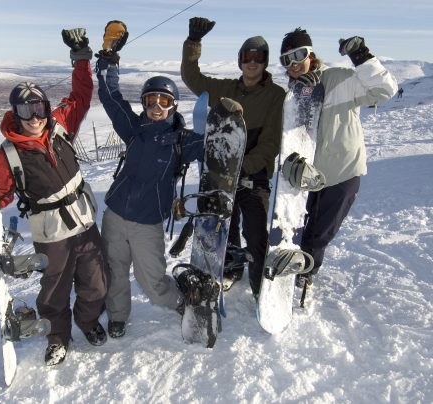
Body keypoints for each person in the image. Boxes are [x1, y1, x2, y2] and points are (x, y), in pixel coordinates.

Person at [0, 28, 109, 366]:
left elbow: (82, 95)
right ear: (15, 113)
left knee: (97, 286)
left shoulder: (59, 126)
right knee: (55, 290)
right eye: (26, 110)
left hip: (84, 221)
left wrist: (80, 59)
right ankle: (58, 337)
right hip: (51, 233)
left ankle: (87, 321)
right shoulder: (9, 154)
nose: (35, 117)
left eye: (40, 108)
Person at [95, 21, 206, 338]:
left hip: (147, 223)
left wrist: (226, 120)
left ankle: (180, 301)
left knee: (153, 283)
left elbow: (216, 145)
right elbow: (109, 94)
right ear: (143, 103)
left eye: (164, 101)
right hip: (115, 215)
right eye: (150, 100)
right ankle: (117, 315)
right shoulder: (132, 128)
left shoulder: (183, 141)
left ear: (173, 105)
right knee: (114, 272)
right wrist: (108, 58)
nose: (156, 106)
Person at [278, 28, 397, 287]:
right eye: (286, 59)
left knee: (321, 232)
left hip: (342, 170)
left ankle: (306, 269)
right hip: (304, 175)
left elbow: (384, 90)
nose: (294, 63)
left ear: (311, 54)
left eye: (298, 54)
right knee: (295, 225)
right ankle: (289, 264)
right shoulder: (291, 96)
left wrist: (361, 56)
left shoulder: (338, 79)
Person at [180, 17, 286, 299]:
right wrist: (194, 43)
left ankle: (260, 285)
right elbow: (193, 79)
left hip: (254, 176)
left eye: (258, 57)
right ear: (240, 61)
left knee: (255, 233)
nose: (252, 62)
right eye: (247, 57)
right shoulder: (226, 89)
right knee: (222, 227)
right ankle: (229, 269)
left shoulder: (276, 96)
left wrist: (244, 168)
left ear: (265, 62)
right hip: (223, 174)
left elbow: (272, 142)